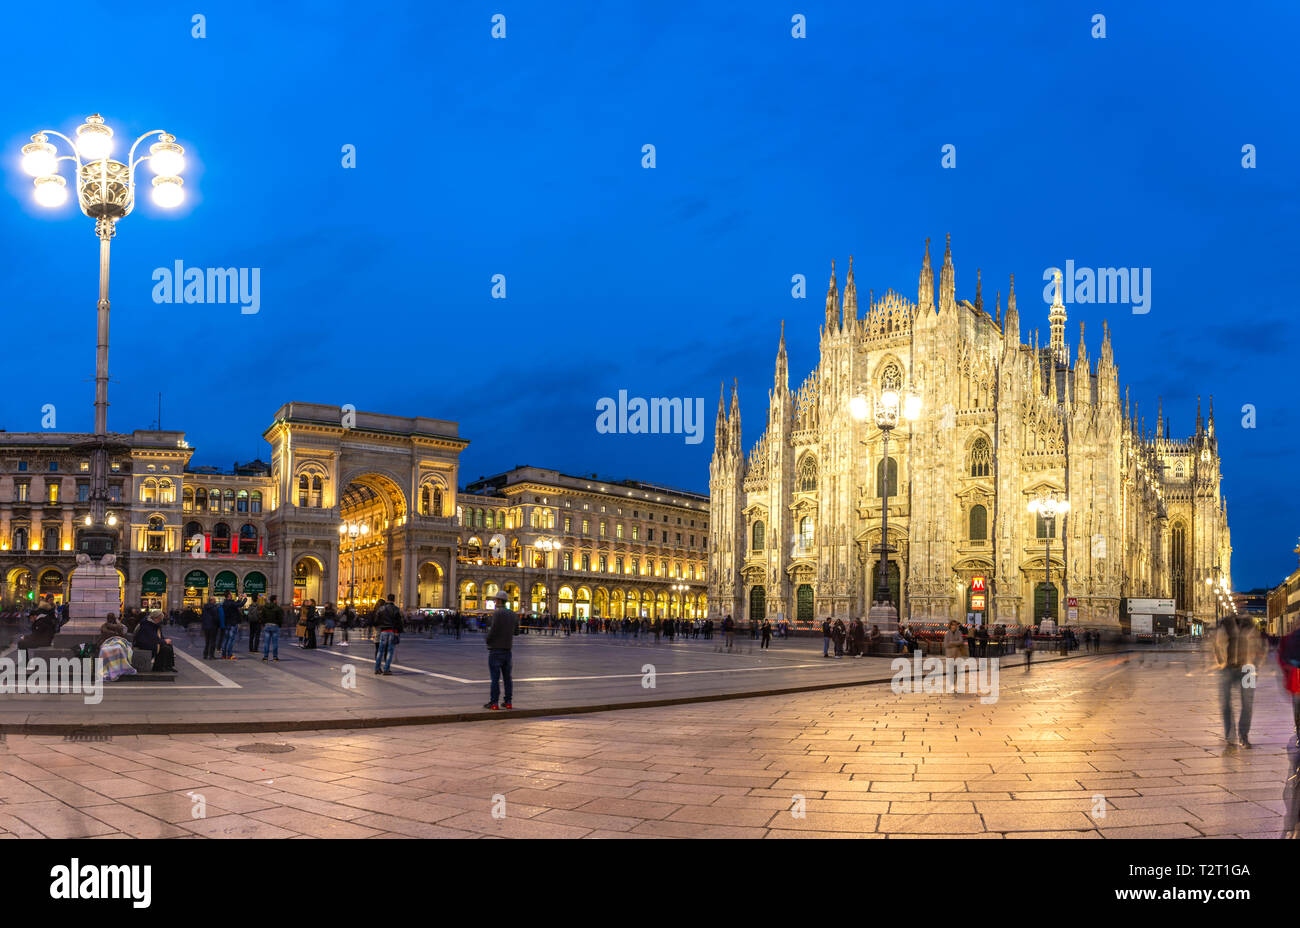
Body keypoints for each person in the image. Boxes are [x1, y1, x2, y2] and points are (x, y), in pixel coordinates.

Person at [1214, 615, 1264, 749]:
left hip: (1248, 669)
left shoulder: (1250, 625)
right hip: (1227, 668)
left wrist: (1256, 665)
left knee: (1247, 703)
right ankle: (1230, 735)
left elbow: (1260, 646)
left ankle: (1244, 735)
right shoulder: (1226, 623)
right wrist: (1221, 661)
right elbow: (1218, 643)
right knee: (1225, 703)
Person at [483, 591, 520, 710]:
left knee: (495, 678)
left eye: (495, 600)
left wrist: (488, 640)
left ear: (499, 601)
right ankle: (508, 702)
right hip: (507, 650)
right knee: (507, 678)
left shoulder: (497, 614)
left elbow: (493, 630)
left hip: (495, 650)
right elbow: (517, 632)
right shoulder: (513, 614)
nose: (494, 602)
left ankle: (494, 703)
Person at [373, 593, 403, 675]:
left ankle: (376, 668)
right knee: (389, 651)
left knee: (380, 651)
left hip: (383, 631)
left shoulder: (381, 609)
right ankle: (386, 669)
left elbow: (376, 621)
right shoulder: (396, 609)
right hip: (392, 632)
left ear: (387, 599)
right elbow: (399, 623)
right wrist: (398, 632)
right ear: (394, 600)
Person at [261, 594, 284, 662]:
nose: (277, 601)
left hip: (267, 625)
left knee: (266, 642)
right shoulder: (278, 608)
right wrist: (279, 625)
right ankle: (275, 657)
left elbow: (262, 616)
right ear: (274, 600)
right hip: (275, 626)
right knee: (275, 643)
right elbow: (280, 618)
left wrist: (263, 624)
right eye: (276, 599)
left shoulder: (265, 607)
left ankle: (265, 657)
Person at [220, 593, 242, 660]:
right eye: (231, 594)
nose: (232, 595)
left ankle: (223, 655)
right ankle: (229, 655)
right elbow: (240, 605)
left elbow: (235, 605)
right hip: (233, 623)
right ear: (228, 595)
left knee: (226, 639)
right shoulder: (230, 602)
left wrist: (239, 599)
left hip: (227, 623)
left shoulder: (225, 603)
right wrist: (245, 598)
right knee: (231, 639)